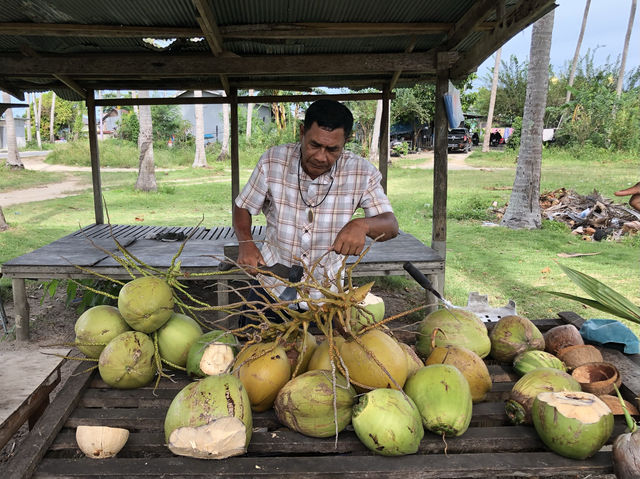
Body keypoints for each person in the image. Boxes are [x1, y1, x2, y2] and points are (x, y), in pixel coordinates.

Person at [233, 99, 399, 315]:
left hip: (327, 296)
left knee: (323, 349)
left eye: (332, 149)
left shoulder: (362, 172)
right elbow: (243, 206)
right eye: (314, 145)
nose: (321, 157)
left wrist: (362, 225)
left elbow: (391, 225)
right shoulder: (272, 162)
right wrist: (246, 243)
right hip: (271, 288)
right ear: (302, 132)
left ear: (346, 142)